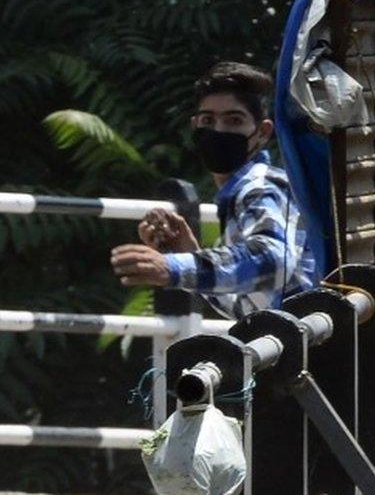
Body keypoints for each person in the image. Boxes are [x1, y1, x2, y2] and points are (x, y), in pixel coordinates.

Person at [110, 61, 316, 319]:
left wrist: (172, 266)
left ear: (262, 132)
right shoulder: (239, 193)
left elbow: (273, 260)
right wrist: (189, 254)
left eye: (234, 120)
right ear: (195, 126)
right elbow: (246, 307)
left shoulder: (260, 187)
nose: (218, 130)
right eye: (208, 120)